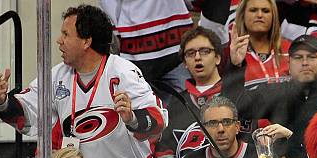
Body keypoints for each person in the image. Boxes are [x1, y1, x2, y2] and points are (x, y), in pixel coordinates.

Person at [0, 4, 168, 158]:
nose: (59, 41)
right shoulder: (57, 76)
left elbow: (159, 119)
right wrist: (3, 100)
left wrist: (132, 117)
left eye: (66, 34)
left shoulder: (122, 72)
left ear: (86, 41)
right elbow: (28, 113)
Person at [224, 34, 317, 158]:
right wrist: (235, 68)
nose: (305, 62)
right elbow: (233, 108)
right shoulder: (279, 93)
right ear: (289, 65)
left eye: (312, 57)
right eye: (298, 58)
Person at [98, 0, 230, 98]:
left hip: (174, 53)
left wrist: (211, 40)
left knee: (187, 112)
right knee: (146, 119)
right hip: (137, 56)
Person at [155, 27, 229, 158]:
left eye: (204, 51)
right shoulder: (176, 104)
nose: (197, 57)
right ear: (185, 63)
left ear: (218, 58)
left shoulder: (234, 94)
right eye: (190, 53)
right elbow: (164, 151)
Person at [229, 0, 291, 90]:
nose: (259, 15)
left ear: (274, 16)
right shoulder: (232, 50)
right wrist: (234, 65)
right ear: (243, 15)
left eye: (265, 11)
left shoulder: (290, 49)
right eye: (253, 10)